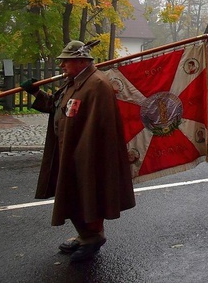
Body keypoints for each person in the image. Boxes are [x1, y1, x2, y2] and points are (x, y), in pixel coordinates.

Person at [21, 41, 135, 262]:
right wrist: (36, 92)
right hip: (69, 151)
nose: (62, 64)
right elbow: (57, 107)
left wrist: (85, 158)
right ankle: (85, 234)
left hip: (86, 156)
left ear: (82, 61)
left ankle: (94, 236)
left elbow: (103, 130)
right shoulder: (74, 82)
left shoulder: (97, 85)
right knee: (73, 196)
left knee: (88, 195)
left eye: (66, 60)